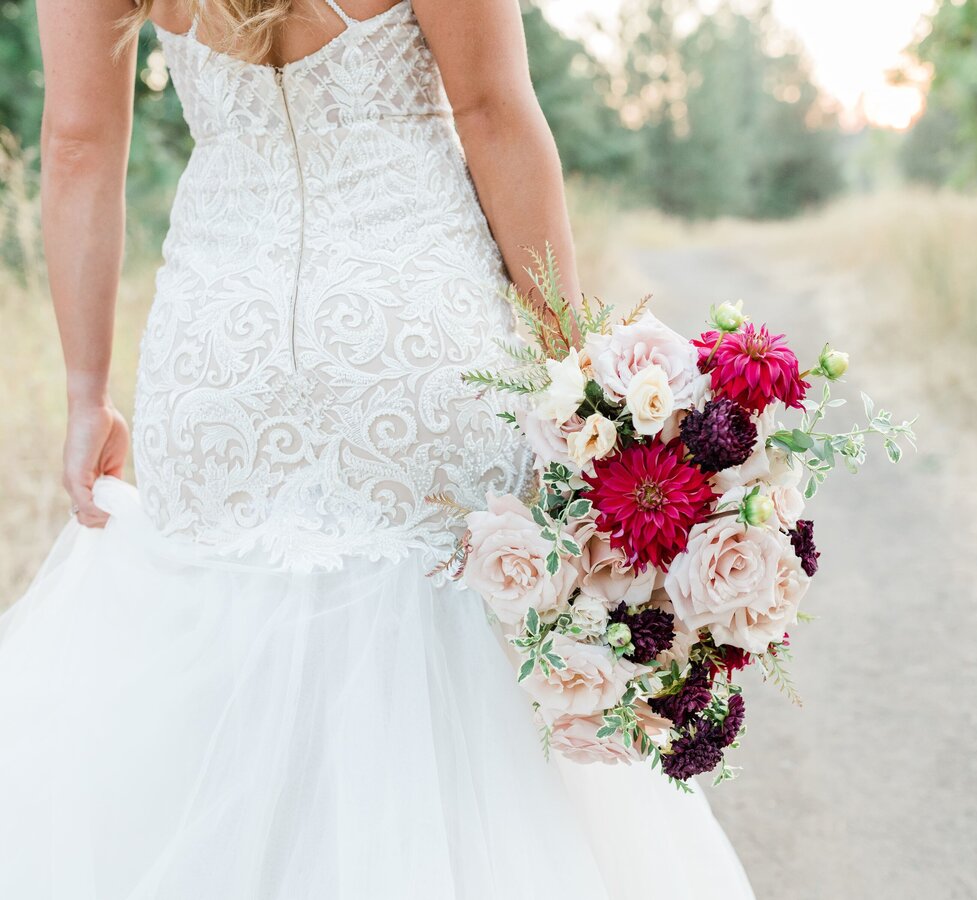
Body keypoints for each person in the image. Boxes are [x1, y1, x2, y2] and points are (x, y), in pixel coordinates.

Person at [0, 1, 756, 897]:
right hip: (418, 348)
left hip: (218, 364)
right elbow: (492, 110)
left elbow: (79, 143)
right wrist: (576, 383)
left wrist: (88, 394)